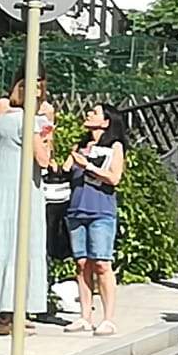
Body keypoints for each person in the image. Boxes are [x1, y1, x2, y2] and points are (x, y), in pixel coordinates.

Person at [0, 70, 52, 336]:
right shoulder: (30, 121)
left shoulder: (4, 119)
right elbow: (42, 159)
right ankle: (9, 313)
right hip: (23, 189)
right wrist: (46, 140)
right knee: (19, 246)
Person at [61, 104, 127, 336]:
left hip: (100, 210)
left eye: (95, 112)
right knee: (81, 263)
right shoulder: (79, 146)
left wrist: (87, 165)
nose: (89, 114)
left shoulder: (114, 147)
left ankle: (108, 318)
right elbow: (64, 171)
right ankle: (84, 316)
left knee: (101, 262)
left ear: (107, 122)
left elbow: (114, 177)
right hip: (76, 208)